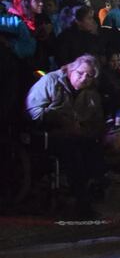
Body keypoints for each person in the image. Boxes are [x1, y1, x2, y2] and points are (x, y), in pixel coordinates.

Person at [25, 54, 106, 219]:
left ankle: (93, 185)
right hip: (48, 132)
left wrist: (87, 130)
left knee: (93, 146)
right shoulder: (51, 81)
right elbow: (33, 111)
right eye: (81, 73)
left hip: (77, 133)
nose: (84, 78)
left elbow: (97, 121)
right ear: (72, 69)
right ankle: (81, 200)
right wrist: (60, 119)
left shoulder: (91, 94)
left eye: (89, 76)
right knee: (72, 149)